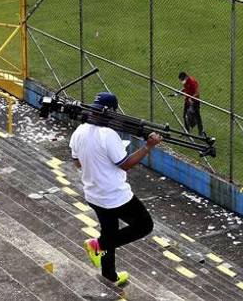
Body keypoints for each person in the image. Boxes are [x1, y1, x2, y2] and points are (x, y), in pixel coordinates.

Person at [70, 91, 161, 288]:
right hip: (115, 196)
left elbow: (77, 162)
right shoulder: (108, 135)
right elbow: (126, 164)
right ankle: (98, 245)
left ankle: (109, 275)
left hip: (93, 194)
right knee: (144, 225)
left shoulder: (79, 131)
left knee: (109, 231)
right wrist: (148, 146)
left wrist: (97, 162)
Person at [176, 71, 206, 137]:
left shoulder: (192, 81)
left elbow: (197, 93)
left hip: (195, 101)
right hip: (187, 101)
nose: (181, 81)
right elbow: (185, 88)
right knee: (184, 115)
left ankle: (200, 131)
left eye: (181, 80)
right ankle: (187, 131)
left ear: (185, 77)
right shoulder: (186, 82)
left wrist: (191, 98)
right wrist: (179, 92)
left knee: (197, 117)